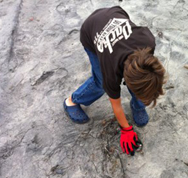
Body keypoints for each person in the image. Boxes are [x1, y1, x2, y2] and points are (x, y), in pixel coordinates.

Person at [63, 6, 166, 156]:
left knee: (143, 82)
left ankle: (137, 107)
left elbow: (146, 74)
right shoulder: (110, 72)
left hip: (115, 14)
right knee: (100, 83)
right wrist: (126, 129)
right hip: (90, 31)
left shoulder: (148, 41)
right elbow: (115, 104)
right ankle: (71, 101)